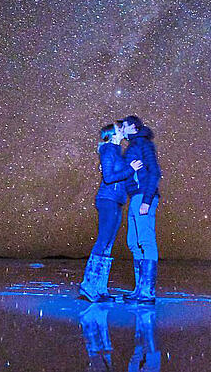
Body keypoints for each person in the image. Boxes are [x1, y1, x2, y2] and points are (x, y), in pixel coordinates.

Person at [79, 122, 142, 303]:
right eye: (119, 128)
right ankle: (89, 285)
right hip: (107, 200)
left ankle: (100, 288)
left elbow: (118, 172)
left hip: (116, 200)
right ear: (112, 133)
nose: (122, 129)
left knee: (108, 244)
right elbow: (108, 177)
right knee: (103, 241)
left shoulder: (115, 150)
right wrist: (131, 169)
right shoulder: (108, 149)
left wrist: (130, 168)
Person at [121, 116, 162, 304]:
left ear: (134, 127)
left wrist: (147, 200)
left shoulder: (144, 144)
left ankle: (147, 292)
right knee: (133, 242)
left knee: (146, 240)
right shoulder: (132, 145)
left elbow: (154, 172)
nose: (122, 127)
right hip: (134, 197)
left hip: (144, 196)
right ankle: (139, 289)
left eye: (124, 125)